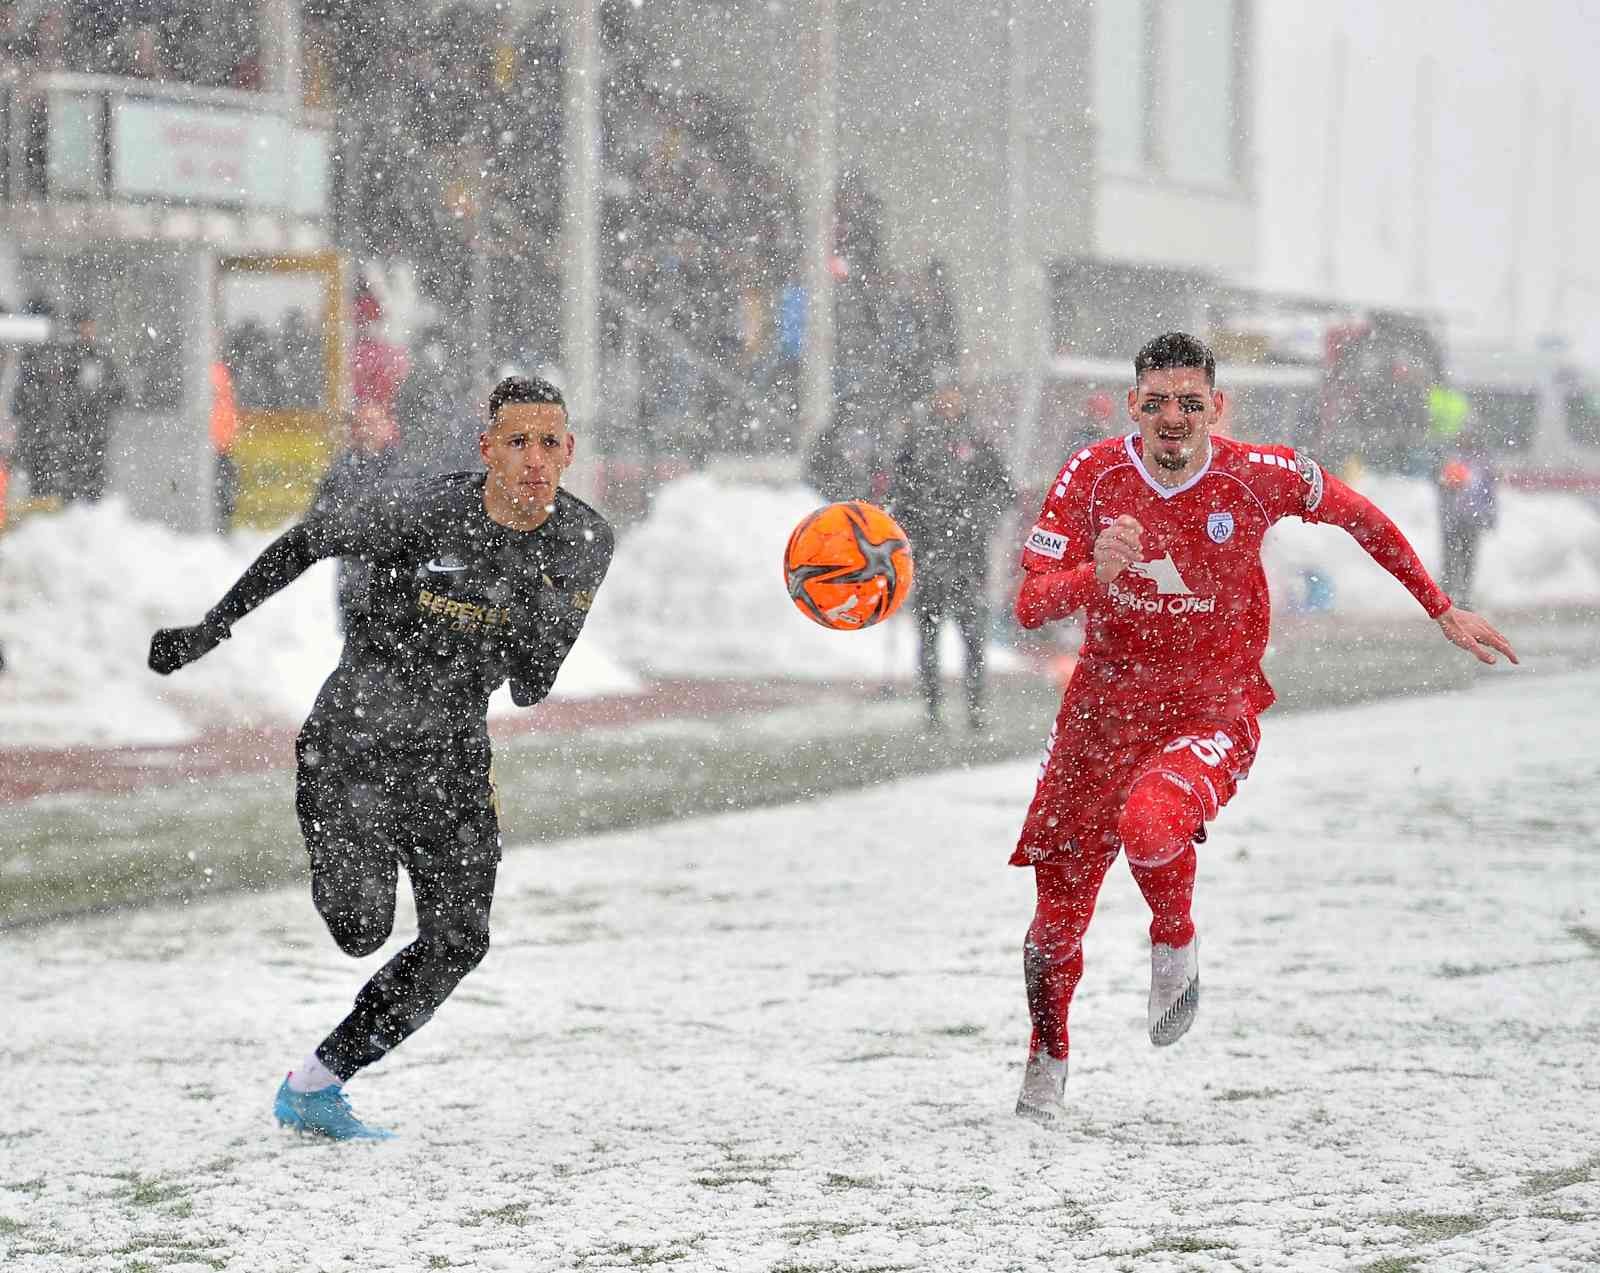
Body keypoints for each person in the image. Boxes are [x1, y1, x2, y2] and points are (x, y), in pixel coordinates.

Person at [1009, 332, 1516, 1125]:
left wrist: (1439, 603)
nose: (1172, 417)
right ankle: (1048, 1050)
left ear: (1217, 408)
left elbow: (1360, 517)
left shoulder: (1257, 475)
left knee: (1149, 822)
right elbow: (1030, 602)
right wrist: (1092, 571)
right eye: (1155, 403)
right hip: (1102, 710)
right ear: (1132, 408)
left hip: (1211, 703)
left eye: (1188, 402)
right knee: (1052, 929)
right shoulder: (1092, 476)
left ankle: (1173, 937)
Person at [148, 375, 614, 1140]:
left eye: (550, 442)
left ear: (570, 450)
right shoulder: (426, 510)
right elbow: (306, 539)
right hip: (355, 739)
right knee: (363, 929)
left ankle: (314, 1085)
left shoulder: (584, 541)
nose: (535, 458)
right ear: (487, 448)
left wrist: (540, 606)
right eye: (518, 440)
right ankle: (328, 825)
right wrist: (211, 628)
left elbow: (530, 685)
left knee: (459, 940)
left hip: (454, 752)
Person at [887, 370, 1017, 731]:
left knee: (972, 635)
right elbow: (898, 494)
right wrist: (911, 526)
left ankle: (975, 706)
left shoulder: (978, 440)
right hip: (927, 555)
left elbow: (1003, 491)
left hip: (968, 557)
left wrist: (977, 518)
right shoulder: (915, 441)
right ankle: (932, 707)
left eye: (953, 393)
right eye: (942, 394)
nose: (948, 401)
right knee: (927, 636)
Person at [1435, 427, 1498, 609]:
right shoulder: (1451, 459)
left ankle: (1464, 596)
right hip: (1453, 518)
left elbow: (1489, 491)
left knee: (1468, 558)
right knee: (1450, 557)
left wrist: (1490, 514)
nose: (1466, 441)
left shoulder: (1483, 462)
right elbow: (1441, 486)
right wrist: (1448, 486)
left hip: (1472, 519)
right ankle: (1445, 595)